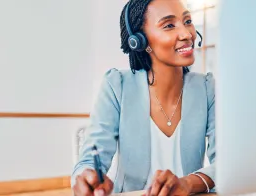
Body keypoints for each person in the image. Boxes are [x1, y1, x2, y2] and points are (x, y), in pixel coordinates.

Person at [71, 0, 216, 195]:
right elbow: (89, 161)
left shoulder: (207, 88)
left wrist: (188, 184)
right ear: (140, 40)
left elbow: (226, 162)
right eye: (169, 25)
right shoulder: (117, 86)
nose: (186, 34)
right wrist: (86, 178)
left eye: (187, 21)